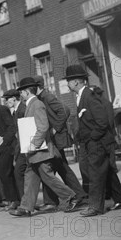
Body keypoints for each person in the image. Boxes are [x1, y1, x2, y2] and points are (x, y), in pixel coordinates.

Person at [10, 77, 79, 217]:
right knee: (30, 177)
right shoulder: (32, 104)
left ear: (27, 92)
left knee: (47, 177)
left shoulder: (37, 105)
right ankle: (26, 207)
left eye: (21, 92)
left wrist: (33, 144)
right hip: (35, 152)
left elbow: (43, 127)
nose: (20, 95)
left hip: (40, 151)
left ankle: (71, 196)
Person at [65, 65, 121, 217]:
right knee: (107, 172)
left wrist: (93, 137)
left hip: (97, 142)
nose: (67, 84)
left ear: (76, 82)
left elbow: (102, 121)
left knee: (95, 174)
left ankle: (96, 207)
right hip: (92, 141)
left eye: (69, 81)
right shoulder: (82, 96)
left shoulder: (89, 96)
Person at [32, 75, 87, 211]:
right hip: (51, 140)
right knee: (52, 167)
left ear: (37, 87)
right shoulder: (40, 98)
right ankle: (53, 201)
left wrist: (55, 128)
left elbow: (65, 111)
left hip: (56, 139)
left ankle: (78, 196)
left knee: (60, 167)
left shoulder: (47, 97)